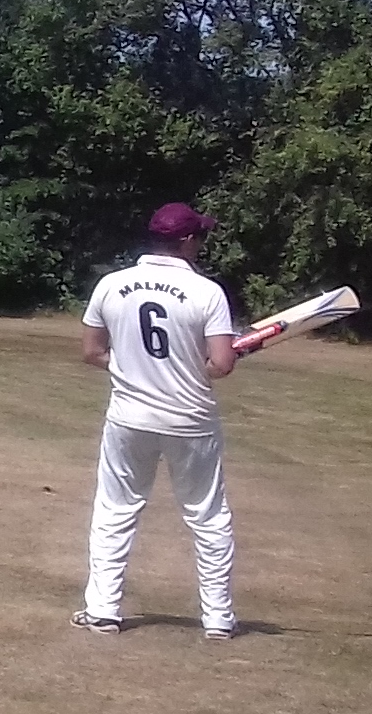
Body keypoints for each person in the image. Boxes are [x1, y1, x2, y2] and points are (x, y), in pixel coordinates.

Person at [75, 201, 250, 638]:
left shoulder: (111, 285)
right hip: (190, 419)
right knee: (207, 517)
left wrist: (131, 370)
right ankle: (218, 619)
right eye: (200, 237)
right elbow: (221, 364)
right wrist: (199, 367)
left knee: (115, 510)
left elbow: (92, 352)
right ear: (187, 241)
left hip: (129, 417)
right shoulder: (207, 293)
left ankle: (102, 610)